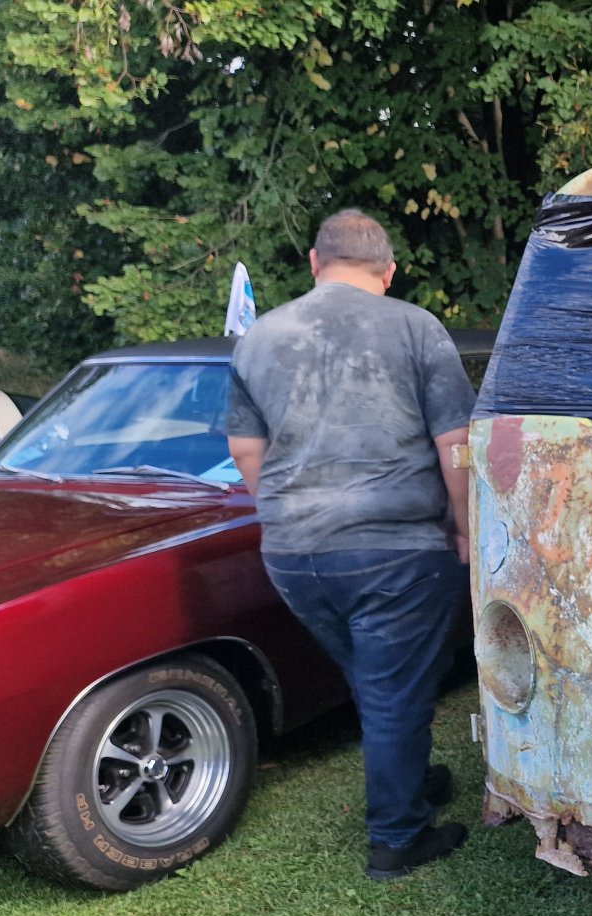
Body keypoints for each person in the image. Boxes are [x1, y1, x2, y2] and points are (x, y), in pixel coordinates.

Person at [225, 209, 477, 879]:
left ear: (315, 262)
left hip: (293, 554)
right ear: (388, 271)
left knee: (378, 680)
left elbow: (245, 449)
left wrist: (289, 515)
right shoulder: (415, 327)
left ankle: (411, 780)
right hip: (396, 550)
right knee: (394, 691)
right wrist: (467, 528)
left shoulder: (260, 336)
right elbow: (456, 443)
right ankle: (397, 838)